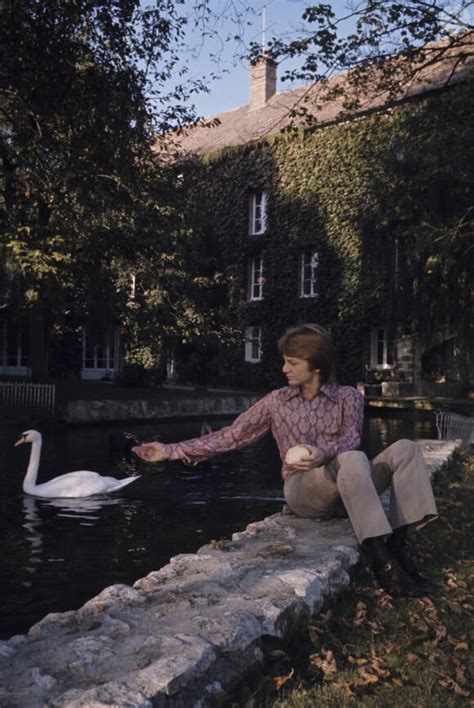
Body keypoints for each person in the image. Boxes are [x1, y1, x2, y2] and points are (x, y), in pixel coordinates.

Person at [133, 324, 438, 597]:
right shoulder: (277, 401)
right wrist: (171, 450)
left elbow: (351, 438)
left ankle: (398, 547)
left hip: (349, 484)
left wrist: (323, 453)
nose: (284, 369)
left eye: (292, 363)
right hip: (304, 491)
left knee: (405, 449)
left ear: (316, 366)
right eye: (285, 361)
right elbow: (232, 435)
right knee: (352, 458)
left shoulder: (349, 397)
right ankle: (382, 561)